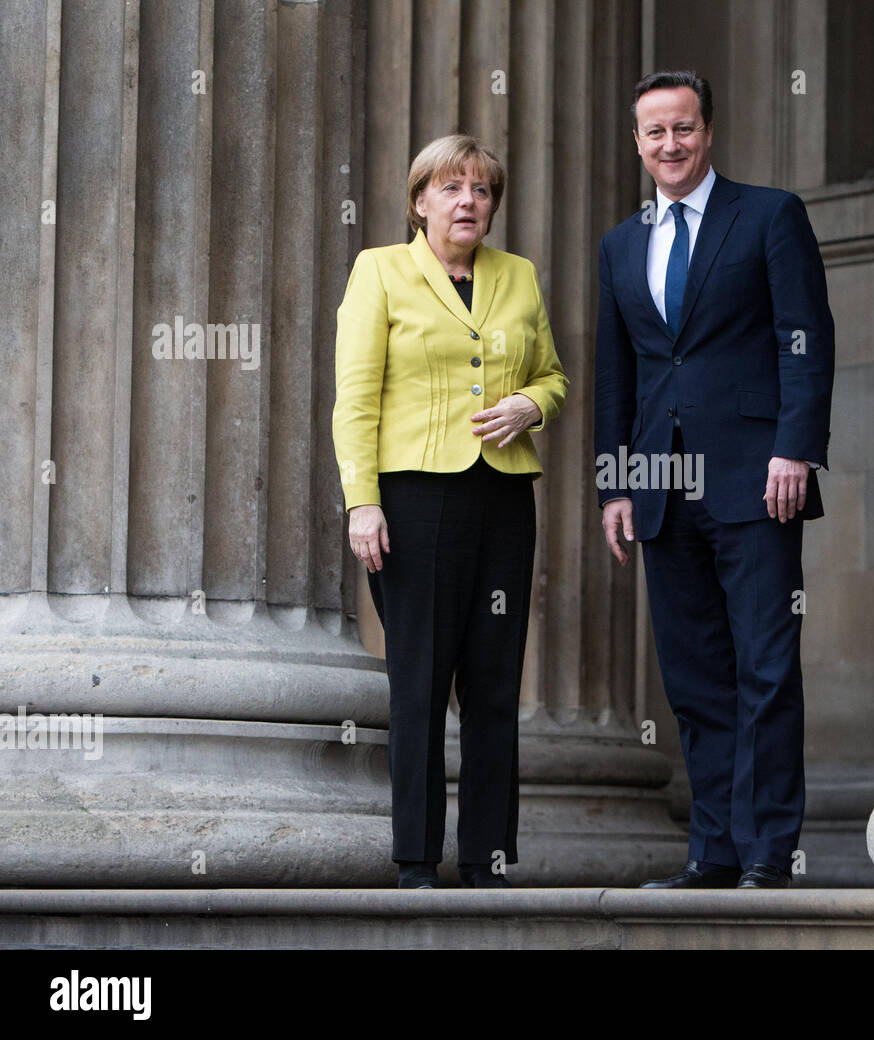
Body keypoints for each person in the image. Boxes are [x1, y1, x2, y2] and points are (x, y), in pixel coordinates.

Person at [594, 71, 834, 889]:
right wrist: (615, 485)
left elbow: (806, 337)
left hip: (757, 479)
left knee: (765, 669)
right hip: (661, 483)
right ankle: (714, 851)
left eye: (684, 128)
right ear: (637, 142)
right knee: (695, 681)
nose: (671, 144)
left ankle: (768, 852)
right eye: (655, 132)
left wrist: (795, 448)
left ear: (708, 131)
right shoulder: (621, 244)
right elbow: (616, 374)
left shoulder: (768, 215)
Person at [333, 134, 568, 889]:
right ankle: (414, 861)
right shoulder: (380, 270)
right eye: (451, 187)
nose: (468, 201)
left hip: (503, 498)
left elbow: (554, 375)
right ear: (419, 200)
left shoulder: (519, 277)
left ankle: (488, 858)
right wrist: (362, 502)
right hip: (413, 499)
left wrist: (531, 404)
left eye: (481, 189)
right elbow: (355, 399)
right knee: (420, 681)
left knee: (495, 685)